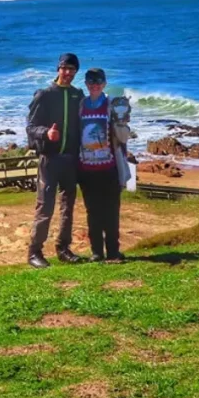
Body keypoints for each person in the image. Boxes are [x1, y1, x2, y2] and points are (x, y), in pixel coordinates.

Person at [26, 53, 85, 268]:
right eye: (65, 68)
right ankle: (34, 252)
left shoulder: (78, 95)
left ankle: (63, 249)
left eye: (72, 70)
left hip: (71, 160)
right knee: (45, 208)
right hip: (49, 160)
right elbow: (30, 127)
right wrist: (45, 133)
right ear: (58, 69)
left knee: (67, 207)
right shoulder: (45, 94)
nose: (68, 73)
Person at [77, 68, 125, 262]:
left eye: (98, 81)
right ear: (86, 84)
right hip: (87, 170)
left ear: (104, 84)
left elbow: (123, 136)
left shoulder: (112, 104)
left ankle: (113, 252)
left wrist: (122, 123)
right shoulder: (81, 105)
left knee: (111, 211)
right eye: (90, 82)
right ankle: (96, 252)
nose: (94, 85)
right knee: (93, 212)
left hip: (109, 168)